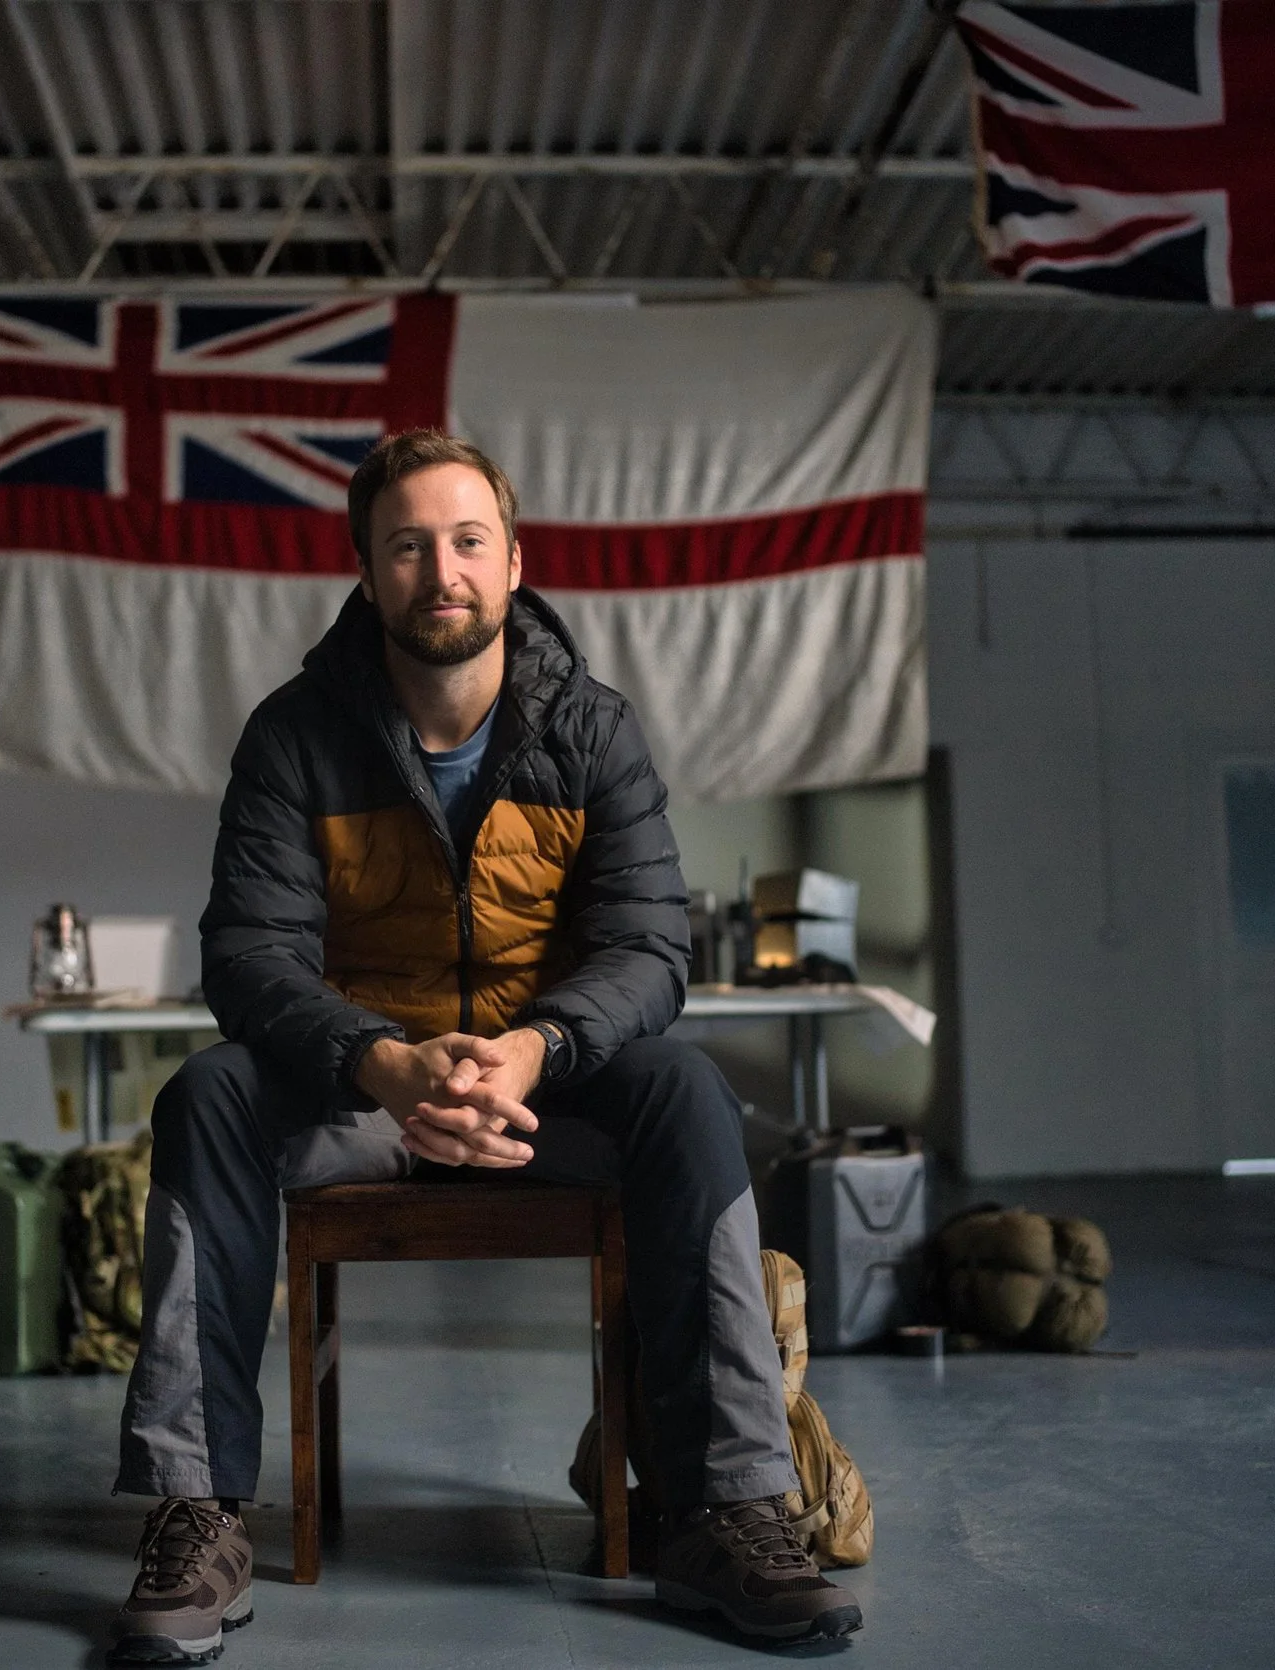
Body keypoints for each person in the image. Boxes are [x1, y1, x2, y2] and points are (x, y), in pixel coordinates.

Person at [107, 430, 862, 1664]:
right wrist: (383, 1061)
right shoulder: (293, 735)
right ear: (365, 568)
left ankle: (726, 1510)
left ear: (515, 561)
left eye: (466, 540)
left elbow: (647, 948)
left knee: (687, 1091)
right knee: (209, 1095)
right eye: (406, 544)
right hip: (359, 1085)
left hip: (545, 1085)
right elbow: (248, 956)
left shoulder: (596, 731)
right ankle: (200, 1509)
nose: (439, 568)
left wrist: (531, 1049)